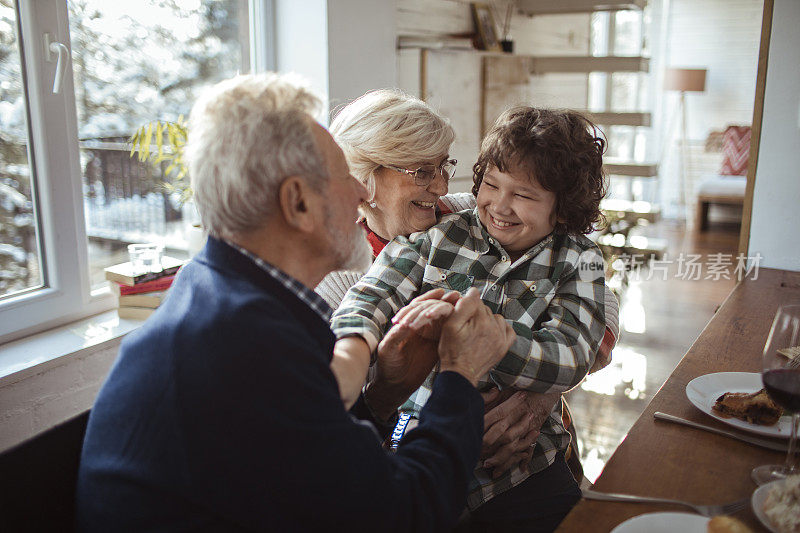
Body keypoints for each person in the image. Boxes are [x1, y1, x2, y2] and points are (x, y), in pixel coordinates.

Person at [75, 73, 516, 532]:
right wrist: (459, 375)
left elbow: (318, 454)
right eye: (343, 176)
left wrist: (387, 391)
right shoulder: (245, 342)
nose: (362, 193)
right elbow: (405, 513)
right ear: (297, 203)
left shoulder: (227, 293)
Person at [331, 106, 609, 532]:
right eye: (491, 185)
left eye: (524, 195)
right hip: (418, 445)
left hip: (521, 467)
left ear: (564, 208)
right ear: (365, 180)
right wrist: (352, 350)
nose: (499, 205)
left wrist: (497, 345)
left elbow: (577, 348)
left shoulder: (579, 257)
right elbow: (369, 297)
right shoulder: (433, 237)